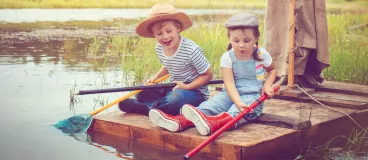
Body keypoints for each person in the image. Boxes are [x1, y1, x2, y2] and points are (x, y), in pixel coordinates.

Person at [118, 3, 213, 132]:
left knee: (175, 98)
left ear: (177, 28)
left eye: (169, 31)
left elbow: (208, 75)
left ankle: (145, 108)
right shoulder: (159, 48)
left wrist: (187, 87)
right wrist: (154, 78)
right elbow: (167, 67)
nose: (165, 37)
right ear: (154, 34)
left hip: (195, 92)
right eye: (159, 34)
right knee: (141, 92)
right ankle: (156, 107)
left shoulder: (191, 50)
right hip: (173, 87)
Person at [181, 13, 277, 136]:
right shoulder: (227, 57)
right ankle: (182, 120)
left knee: (237, 111)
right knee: (210, 105)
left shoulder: (261, 54)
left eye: (247, 40)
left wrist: (267, 85)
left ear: (256, 37)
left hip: (252, 96)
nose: (241, 45)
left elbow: (272, 70)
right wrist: (236, 100)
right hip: (229, 94)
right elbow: (229, 83)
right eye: (236, 41)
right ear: (229, 38)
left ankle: (214, 123)